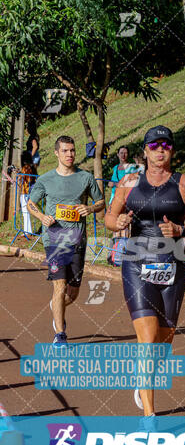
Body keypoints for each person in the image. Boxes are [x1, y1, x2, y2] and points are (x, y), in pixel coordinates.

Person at [105, 125, 185, 426]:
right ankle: (150, 416)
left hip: (173, 265)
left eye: (165, 145)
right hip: (136, 264)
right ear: (145, 151)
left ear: (172, 150)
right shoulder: (128, 182)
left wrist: (182, 230)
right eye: (154, 145)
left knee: (165, 340)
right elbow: (109, 218)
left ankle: (143, 381)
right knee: (148, 341)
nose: (160, 150)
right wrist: (118, 221)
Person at [27, 135, 105, 347]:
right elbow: (31, 203)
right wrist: (42, 217)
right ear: (56, 153)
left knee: (73, 292)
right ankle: (60, 334)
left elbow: (100, 201)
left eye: (72, 150)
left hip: (78, 240)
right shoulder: (46, 179)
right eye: (65, 151)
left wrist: (90, 208)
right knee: (59, 286)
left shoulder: (86, 178)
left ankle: (57, 308)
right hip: (54, 239)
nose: (69, 154)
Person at [18, 152, 37, 236]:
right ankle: (27, 231)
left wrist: (20, 177)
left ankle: (28, 232)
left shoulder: (26, 168)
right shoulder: (32, 167)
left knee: (25, 212)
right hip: (27, 192)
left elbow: (27, 180)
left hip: (25, 192)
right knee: (26, 212)